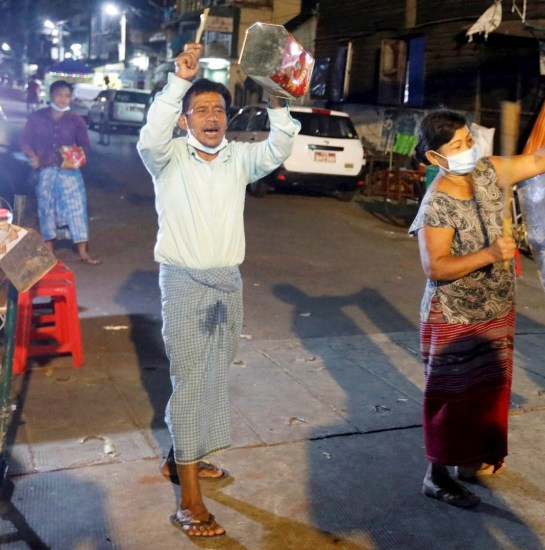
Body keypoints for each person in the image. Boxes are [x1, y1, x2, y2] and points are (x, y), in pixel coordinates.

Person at [137, 43, 298, 538]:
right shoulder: (167, 158)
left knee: (211, 375)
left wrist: (279, 105)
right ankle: (189, 501)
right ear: (184, 119)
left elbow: (278, 148)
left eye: (219, 110)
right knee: (190, 382)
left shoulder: (238, 159)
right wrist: (179, 81)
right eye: (201, 109)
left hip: (227, 283)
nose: (212, 117)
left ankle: (182, 456)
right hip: (183, 282)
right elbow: (150, 136)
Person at [409, 109, 545, 507]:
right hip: (454, 315)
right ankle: (437, 475)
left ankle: (469, 461)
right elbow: (436, 267)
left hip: (495, 308)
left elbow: (538, 160)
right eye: (457, 146)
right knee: (452, 397)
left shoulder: (487, 172)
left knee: (486, 392)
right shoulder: (436, 205)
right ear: (434, 157)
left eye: (468, 141)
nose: (468, 150)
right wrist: (488, 254)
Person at [21, 80, 101, 264]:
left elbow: (85, 145)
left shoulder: (76, 120)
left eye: (67, 96)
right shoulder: (37, 117)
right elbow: (25, 141)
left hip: (70, 172)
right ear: (51, 95)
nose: (63, 99)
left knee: (76, 209)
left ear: (71, 98)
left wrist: (74, 154)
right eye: (59, 95)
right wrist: (33, 156)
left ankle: (83, 252)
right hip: (46, 171)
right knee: (46, 209)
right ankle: (50, 251)